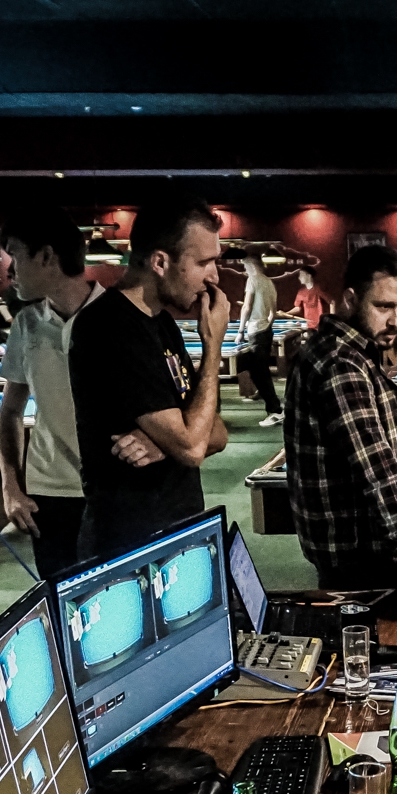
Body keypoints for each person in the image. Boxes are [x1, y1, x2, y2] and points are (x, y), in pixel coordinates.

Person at [283, 245, 397, 601]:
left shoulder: (347, 351)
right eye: (383, 307)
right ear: (350, 299)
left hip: (357, 550)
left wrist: (395, 410)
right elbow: (378, 469)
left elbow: (351, 430)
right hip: (361, 557)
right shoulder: (341, 364)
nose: (396, 321)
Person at [67, 195, 230, 560]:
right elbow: (192, 447)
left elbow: (216, 433)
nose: (214, 277)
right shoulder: (110, 326)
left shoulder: (163, 324)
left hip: (178, 527)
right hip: (128, 545)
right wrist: (213, 345)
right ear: (160, 262)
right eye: (203, 262)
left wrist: (165, 442)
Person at [0, 207, 103, 579]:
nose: (10, 272)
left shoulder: (119, 318)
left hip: (112, 491)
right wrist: (11, 486)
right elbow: (9, 411)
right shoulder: (26, 323)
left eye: (14, 256)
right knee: (59, 598)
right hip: (48, 494)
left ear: (46, 256)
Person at [230, 248, 283, 426]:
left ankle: (275, 411)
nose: (245, 270)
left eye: (245, 266)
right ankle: (270, 401)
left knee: (260, 373)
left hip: (255, 331)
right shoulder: (269, 282)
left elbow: (247, 306)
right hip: (266, 331)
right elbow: (273, 311)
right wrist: (267, 325)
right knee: (259, 371)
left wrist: (240, 331)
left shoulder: (252, 280)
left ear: (252, 265)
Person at [281, 265, 330, 329]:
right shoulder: (301, 292)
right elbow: (298, 308)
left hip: (320, 324)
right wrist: (285, 313)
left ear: (309, 276)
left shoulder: (318, 289)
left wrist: (332, 320)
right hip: (308, 324)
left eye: (301, 275)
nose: (299, 278)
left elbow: (331, 302)